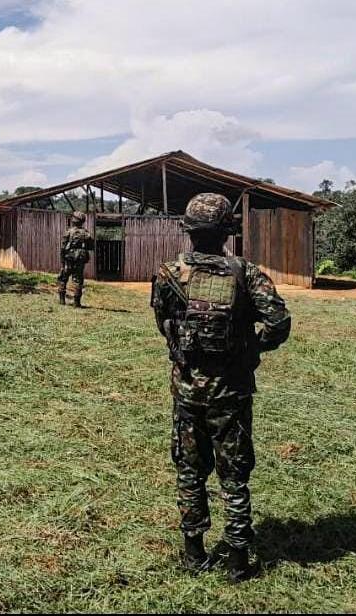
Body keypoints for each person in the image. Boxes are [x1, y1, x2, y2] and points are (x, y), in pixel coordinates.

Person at [150, 192, 291, 582]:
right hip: (232, 392)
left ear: (189, 230)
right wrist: (251, 349)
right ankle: (238, 560)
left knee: (190, 471)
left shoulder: (168, 273)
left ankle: (194, 553)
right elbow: (279, 322)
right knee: (234, 474)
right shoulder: (246, 273)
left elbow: (163, 322)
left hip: (187, 390)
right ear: (228, 229)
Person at [57, 211, 94, 308]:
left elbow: (63, 248)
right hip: (80, 259)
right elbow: (91, 247)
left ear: (73, 221)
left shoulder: (68, 232)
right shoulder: (86, 233)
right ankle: (76, 303)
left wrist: (62, 261)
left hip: (68, 258)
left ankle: (62, 301)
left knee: (63, 277)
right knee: (78, 279)